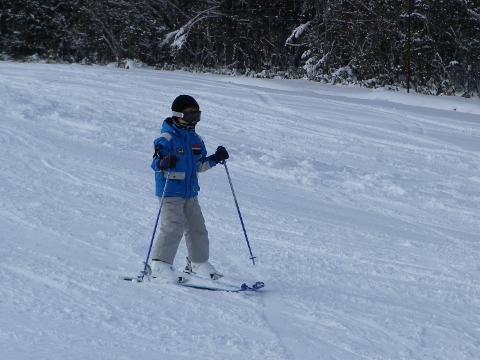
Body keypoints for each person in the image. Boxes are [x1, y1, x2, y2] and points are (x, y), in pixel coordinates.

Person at [149, 95, 229, 281]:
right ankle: (160, 265)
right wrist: (164, 162)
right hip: (169, 191)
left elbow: (199, 166)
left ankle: (197, 263)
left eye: (197, 116)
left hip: (190, 192)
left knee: (197, 228)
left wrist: (215, 158)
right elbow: (155, 164)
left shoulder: (196, 140)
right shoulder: (166, 139)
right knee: (172, 227)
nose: (194, 120)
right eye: (190, 115)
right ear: (178, 114)